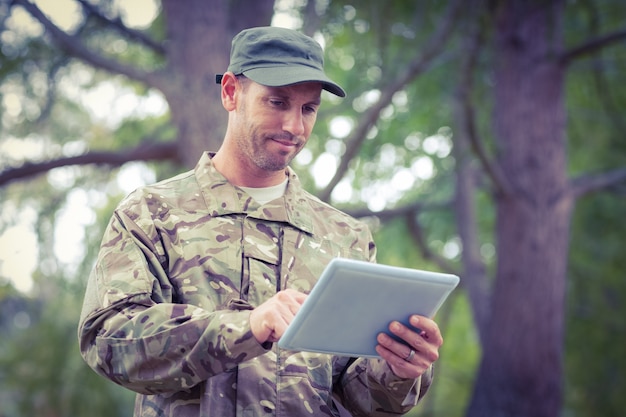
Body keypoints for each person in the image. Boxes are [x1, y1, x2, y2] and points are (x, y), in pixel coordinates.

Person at [78, 26, 443, 417]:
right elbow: (109, 341)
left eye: (308, 108)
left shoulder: (345, 237)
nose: (294, 127)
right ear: (231, 92)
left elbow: (356, 399)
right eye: (277, 102)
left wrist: (398, 369)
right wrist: (247, 328)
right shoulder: (151, 213)